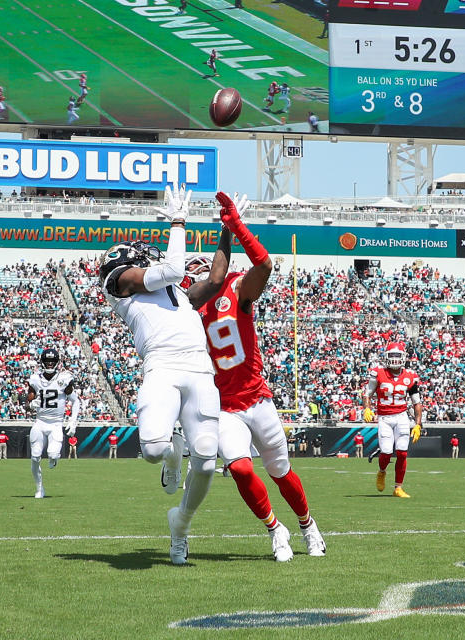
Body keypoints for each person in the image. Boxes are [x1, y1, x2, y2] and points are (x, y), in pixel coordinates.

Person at [184, 191, 325, 561]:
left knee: (280, 471)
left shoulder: (234, 288)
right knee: (242, 469)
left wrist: (235, 227)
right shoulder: (184, 313)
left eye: (198, 273)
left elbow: (264, 266)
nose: (195, 281)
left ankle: (308, 526)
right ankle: (275, 530)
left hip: (256, 398)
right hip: (225, 407)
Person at [99, 183, 220, 565]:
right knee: (152, 449)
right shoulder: (120, 284)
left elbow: (214, 281)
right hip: (162, 365)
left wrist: (228, 229)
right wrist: (180, 222)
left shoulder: (180, 295)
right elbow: (172, 267)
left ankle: (180, 525)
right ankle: (172, 455)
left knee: (206, 459)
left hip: (199, 365)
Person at [364, 343, 423, 499]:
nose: (395, 360)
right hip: (384, 417)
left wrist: (418, 424)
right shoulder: (378, 373)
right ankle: (382, 471)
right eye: (392, 356)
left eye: (398, 356)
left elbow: (416, 402)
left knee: (402, 453)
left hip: (402, 416)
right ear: (386, 356)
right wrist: (367, 408)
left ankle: (398, 487)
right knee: (386, 452)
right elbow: (367, 394)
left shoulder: (410, 376)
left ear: (403, 357)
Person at [24, 347, 80, 498]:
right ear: (42, 362)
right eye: (47, 361)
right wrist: (31, 405)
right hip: (40, 422)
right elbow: (27, 405)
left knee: (53, 454)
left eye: (52, 361)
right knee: (35, 456)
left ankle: (53, 459)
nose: (49, 364)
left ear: (57, 362)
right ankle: (39, 488)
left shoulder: (64, 379)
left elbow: (76, 402)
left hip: (56, 423)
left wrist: (73, 421)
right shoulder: (35, 379)